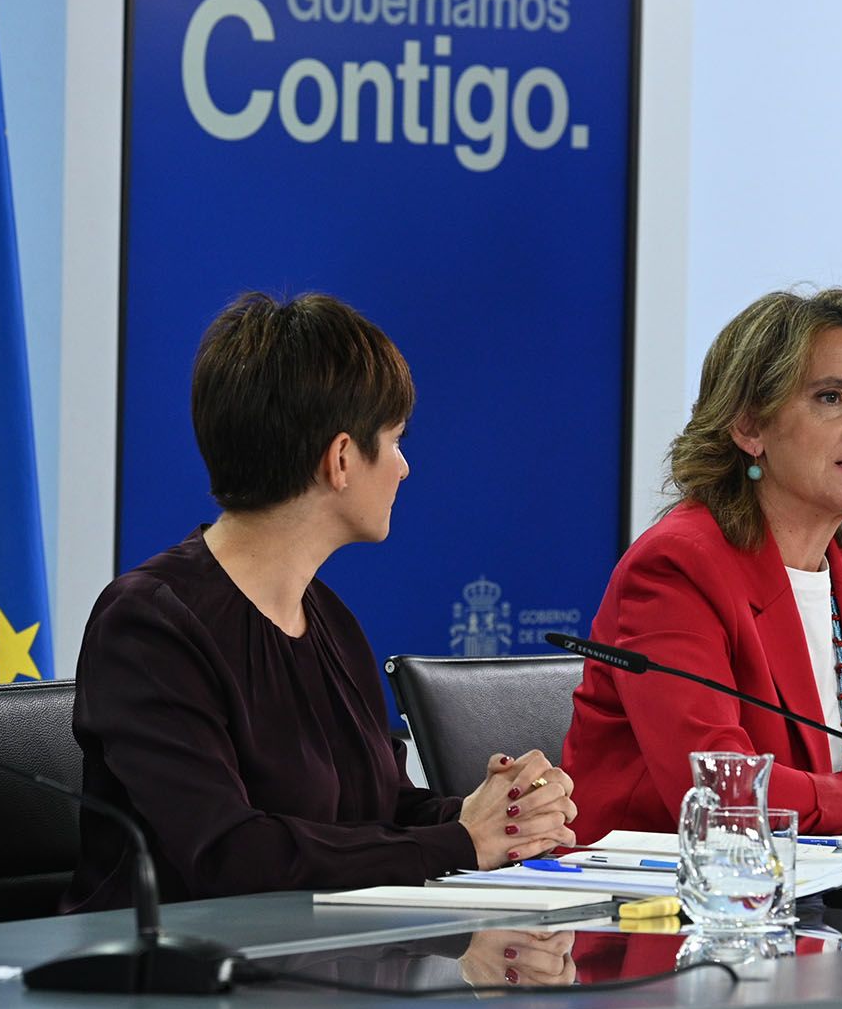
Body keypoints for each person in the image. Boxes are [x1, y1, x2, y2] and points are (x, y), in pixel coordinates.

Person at [63, 293, 576, 912]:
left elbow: (381, 811)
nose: (404, 468)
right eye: (394, 441)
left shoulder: (328, 616)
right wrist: (461, 842)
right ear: (340, 460)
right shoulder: (148, 623)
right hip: (179, 967)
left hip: (323, 959)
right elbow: (229, 856)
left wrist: (501, 817)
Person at [561, 288, 842, 843]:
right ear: (750, 426)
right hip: (660, 886)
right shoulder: (679, 565)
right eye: (832, 397)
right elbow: (720, 793)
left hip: (828, 880)